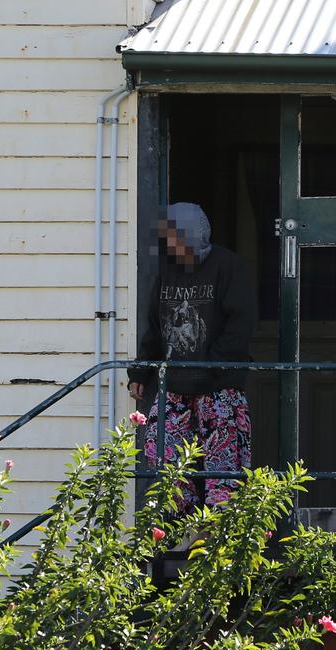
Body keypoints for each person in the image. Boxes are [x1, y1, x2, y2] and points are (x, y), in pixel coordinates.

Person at [128, 202, 256, 517]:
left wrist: (210, 366)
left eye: (174, 235)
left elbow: (239, 326)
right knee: (162, 454)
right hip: (174, 385)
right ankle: (175, 526)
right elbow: (156, 327)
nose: (169, 243)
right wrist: (141, 371)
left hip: (219, 386)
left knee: (222, 464)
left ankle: (219, 532)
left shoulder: (228, 267)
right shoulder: (167, 272)